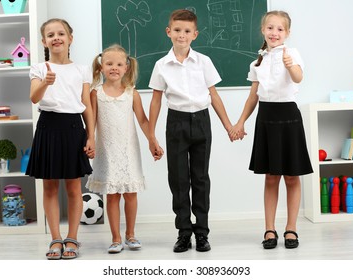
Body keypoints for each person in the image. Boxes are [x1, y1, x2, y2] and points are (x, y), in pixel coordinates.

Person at [148, 9, 233, 253]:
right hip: (175, 122)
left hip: (201, 121)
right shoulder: (161, 65)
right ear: (168, 32)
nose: (181, 35)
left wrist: (228, 126)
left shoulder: (203, 62)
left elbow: (214, 96)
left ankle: (202, 233)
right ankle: (184, 232)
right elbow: (155, 101)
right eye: (177, 30)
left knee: (200, 178)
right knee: (178, 179)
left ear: (195, 34)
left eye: (187, 31)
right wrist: (151, 136)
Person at [229, 10, 313, 249]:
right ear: (263, 30)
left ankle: (291, 228)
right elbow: (253, 97)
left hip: (288, 117)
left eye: (280, 29)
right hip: (266, 118)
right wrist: (240, 122)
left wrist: (290, 65)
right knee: (270, 177)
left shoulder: (292, 53)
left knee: (292, 176)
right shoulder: (258, 60)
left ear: (287, 33)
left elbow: (298, 78)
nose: (274, 33)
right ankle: (269, 229)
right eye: (270, 28)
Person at [26, 18, 95, 260]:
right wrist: (45, 82)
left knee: (75, 187)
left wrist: (91, 136)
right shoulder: (38, 68)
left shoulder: (82, 69)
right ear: (44, 41)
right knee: (50, 186)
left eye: (61, 33)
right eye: (51, 35)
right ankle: (56, 238)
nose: (56, 38)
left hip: (74, 127)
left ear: (70, 38)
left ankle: (72, 238)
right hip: (48, 126)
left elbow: (87, 105)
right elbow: (34, 98)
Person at [85, 44, 163, 254]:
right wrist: (89, 141)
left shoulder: (132, 94)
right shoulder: (96, 93)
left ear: (126, 68)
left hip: (129, 151)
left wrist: (152, 141)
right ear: (101, 67)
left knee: (130, 193)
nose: (114, 68)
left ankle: (130, 234)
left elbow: (143, 121)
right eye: (109, 64)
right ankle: (115, 238)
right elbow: (90, 122)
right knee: (112, 195)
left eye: (119, 64)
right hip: (107, 151)